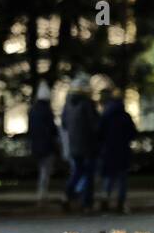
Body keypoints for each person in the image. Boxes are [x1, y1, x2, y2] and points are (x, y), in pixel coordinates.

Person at [96, 90, 138, 214]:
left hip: (109, 151)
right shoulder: (125, 116)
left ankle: (105, 200)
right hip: (122, 151)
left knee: (108, 178)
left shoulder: (106, 116)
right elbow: (132, 133)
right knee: (122, 179)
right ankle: (120, 202)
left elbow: (99, 134)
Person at [61, 78, 98, 212]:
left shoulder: (67, 105)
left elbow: (64, 124)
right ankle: (86, 204)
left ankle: (68, 194)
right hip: (88, 145)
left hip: (74, 145)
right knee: (88, 175)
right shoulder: (87, 104)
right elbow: (94, 125)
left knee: (77, 172)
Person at [29, 81, 58, 204]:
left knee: (42, 170)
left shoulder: (33, 111)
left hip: (37, 145)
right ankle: (42, 194)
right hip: (47, 146)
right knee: (45, 171)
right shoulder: (47, 111)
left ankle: (41, 194)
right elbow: (52, 129)